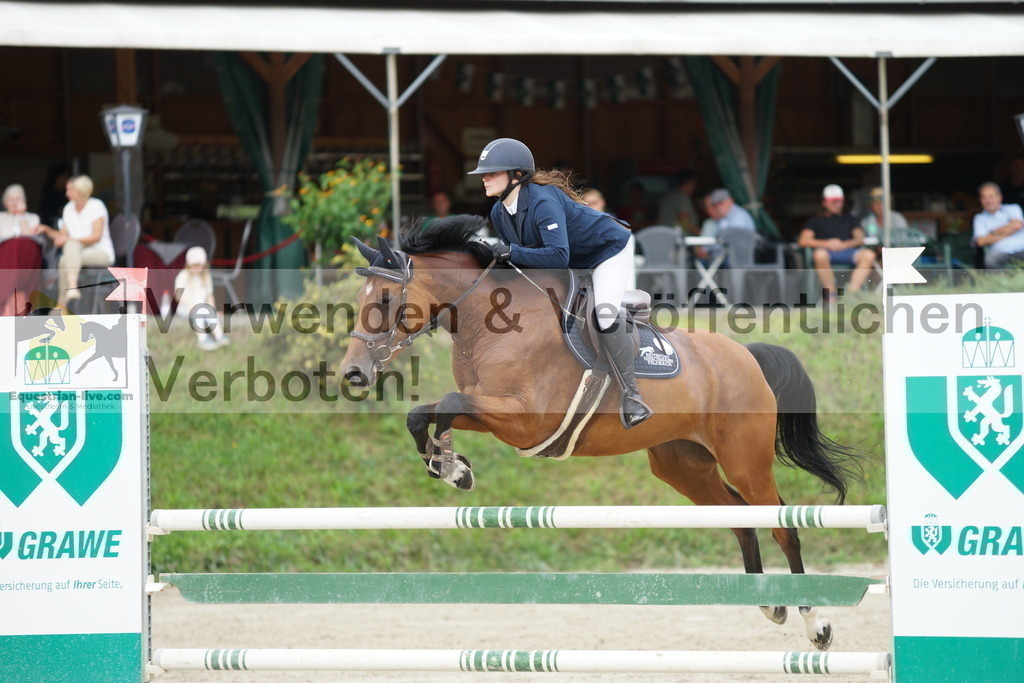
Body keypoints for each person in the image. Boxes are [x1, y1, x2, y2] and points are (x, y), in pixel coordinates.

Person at [469, 138, 652, 428]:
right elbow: (523, 263)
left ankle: (632, 395)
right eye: (484, 173)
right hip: (573, 262)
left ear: (517, 175)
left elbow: (557, 254)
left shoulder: (542, 201)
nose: (484, 178)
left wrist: (511, 252)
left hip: (607, 251)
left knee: (604, 314)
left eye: (492, 172)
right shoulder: (499, 213)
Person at [36, 175, 114, 307]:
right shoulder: (68, 208)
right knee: (64, 258)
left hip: (101, 252)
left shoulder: (96, 206)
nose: (67, 193)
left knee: (69, 250)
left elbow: (96, 237)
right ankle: (66, 298)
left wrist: (70, 240)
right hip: (76, 253)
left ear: (82, 191)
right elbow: (63, 235)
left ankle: (63, 301)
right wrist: (46, 229)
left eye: (71, 190)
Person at [797, 184, 876, 302]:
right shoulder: (815, 220)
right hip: (826, 253)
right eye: (832, 201)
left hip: (848, 252)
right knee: (819, 254)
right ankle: (831, 294)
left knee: (869, 255)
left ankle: (851, 293)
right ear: (824, 203)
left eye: (839, 201)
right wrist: (828, 244)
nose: (836, 204)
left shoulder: (850, 219)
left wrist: (843, 245)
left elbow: (860, 238)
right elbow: (803, 240)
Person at [0, 184, 45, 315]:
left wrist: (20, 217)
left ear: (25, 201)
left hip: (26, 262)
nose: (14, 203)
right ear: (4, 202)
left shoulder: (33, 218)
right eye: (11, 199)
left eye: (18, 199)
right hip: (4, 260)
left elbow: (31, 236)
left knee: (22, 244)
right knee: (13, 245)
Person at [175, 246, 229, 350]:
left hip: (203, 307)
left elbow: (209, 296)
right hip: (186, 308)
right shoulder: (183, 276)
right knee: (199, 312)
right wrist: (190, 306)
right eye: (194, 265)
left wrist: (213, 310)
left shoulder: (205, 276)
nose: (197, 268)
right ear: (189, 265)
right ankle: (203, 338)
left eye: (199, 265)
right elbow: (178, 295)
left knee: (208, 312)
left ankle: (219, 335)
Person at [973, 181, 1024, 269]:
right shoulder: (979, 218)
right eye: (984, 198)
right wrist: (1010, 229)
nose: (988, 201)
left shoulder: (1013, 208)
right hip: (1000, 252)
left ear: (999, 197)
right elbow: (981, 241)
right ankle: (1003, 279)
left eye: (991, 197)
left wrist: (992, 233)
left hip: (1021, 248)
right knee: (989, 260)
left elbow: (1017, 225)